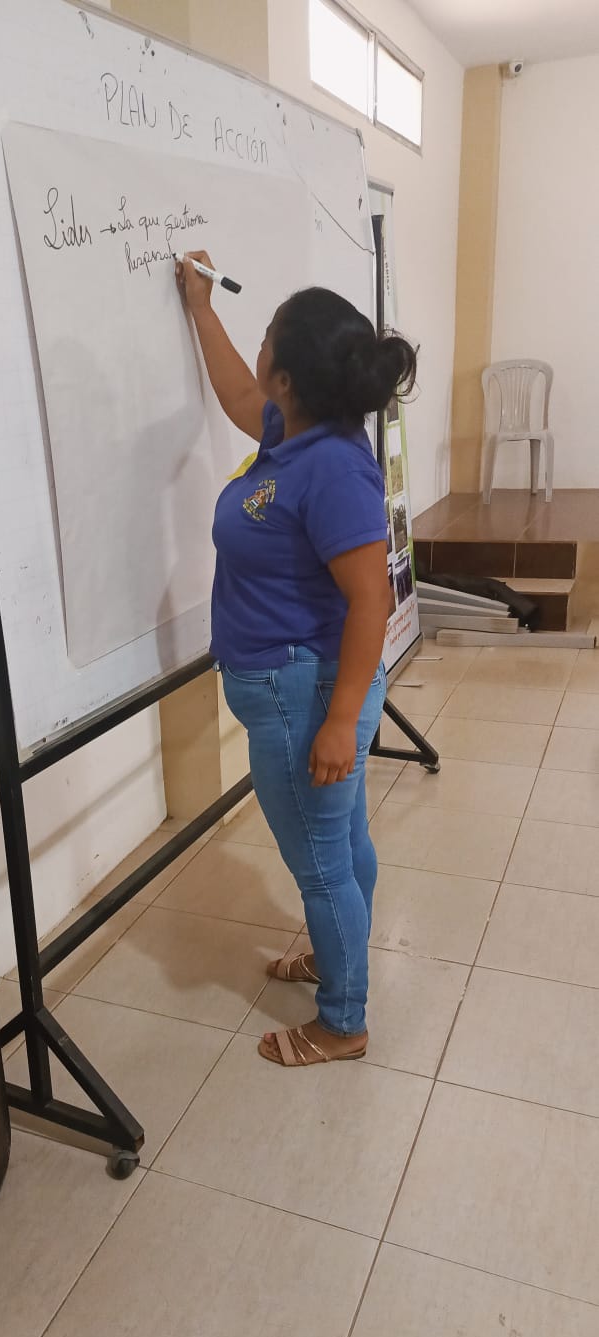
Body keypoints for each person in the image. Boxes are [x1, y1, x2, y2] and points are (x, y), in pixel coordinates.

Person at [175, 251, 417, 1068]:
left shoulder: (334, 469)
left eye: (267, 335)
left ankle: (342, 1022)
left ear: (289, 374)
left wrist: (340, 723)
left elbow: (370, 602)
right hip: (297, 687)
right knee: (342, 842)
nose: (260, 346)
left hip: (305, 693)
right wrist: (201, 308)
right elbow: (238, 397)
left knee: (321, 865)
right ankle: (335, 957)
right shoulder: (295, 431)